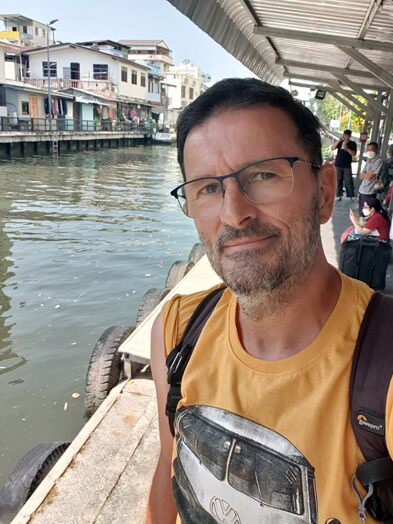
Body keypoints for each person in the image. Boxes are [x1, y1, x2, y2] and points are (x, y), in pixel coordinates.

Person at [146, 78, 392, 523]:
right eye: (207, 188)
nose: (233, 213)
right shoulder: (178, 331)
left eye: (263, 175)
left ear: (323, 193)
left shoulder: (384, 361)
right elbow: (169, 468)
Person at [331, 129, 357, 201]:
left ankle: (351, 196)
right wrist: (339, 141)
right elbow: (332, 148)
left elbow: (354, 154)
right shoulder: (340, 142)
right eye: (344, 135)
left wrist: (347, 148)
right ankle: (338, 195)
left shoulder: (352, 143)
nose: (345, 136)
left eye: (347, 135)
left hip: (347, 165)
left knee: (348, 180)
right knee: (338, 180)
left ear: (349, 136)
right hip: (338, 164)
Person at [358, 141, 383, 215]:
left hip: (370, 191)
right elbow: (360, 176)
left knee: (367, 212)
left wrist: (366, 175)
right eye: (367, 150)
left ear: (376, 150)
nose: (368, 152)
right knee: (361, 211)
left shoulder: (379, 161)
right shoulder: (368, 160)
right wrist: (366, 174)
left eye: (371, 150)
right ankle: (361, 226)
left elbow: (369, 177)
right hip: (362, 189)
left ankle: (366, 226)